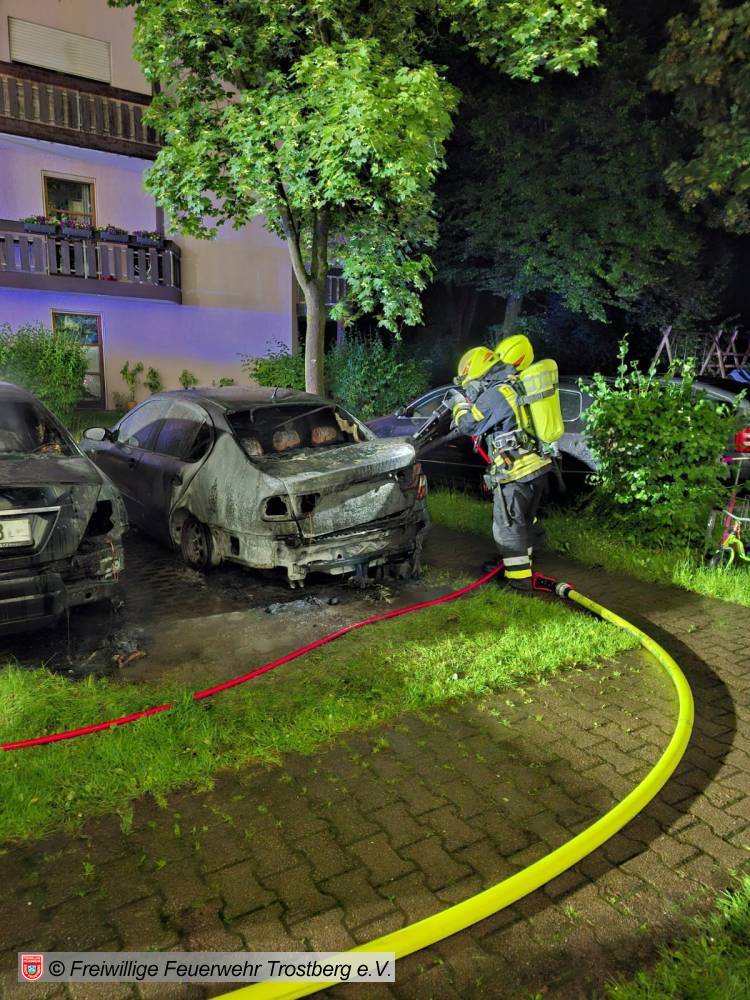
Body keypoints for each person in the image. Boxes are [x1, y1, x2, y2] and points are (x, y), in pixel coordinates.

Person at [446, 335, 553, 594]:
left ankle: (519, 585)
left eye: (470, 382)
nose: (471, 388)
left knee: (507, 528)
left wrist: (459, 405)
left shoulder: (496, 393)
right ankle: (525, 560)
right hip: (535, 467)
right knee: (524, 520)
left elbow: (468, 425)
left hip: (516, 472)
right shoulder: (513, 385)